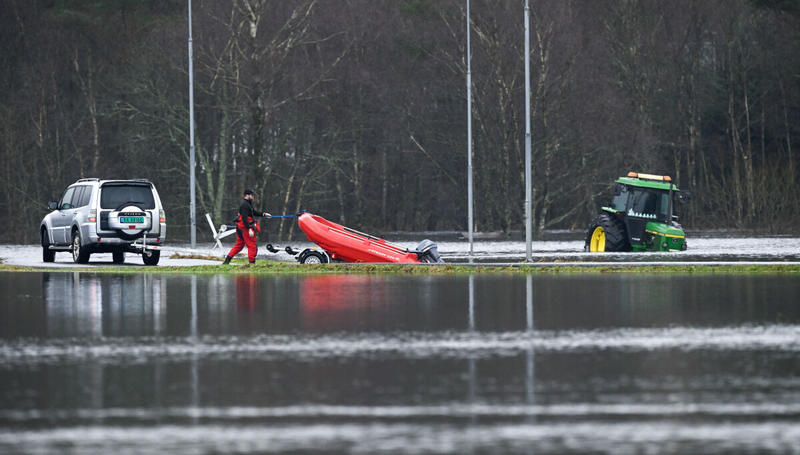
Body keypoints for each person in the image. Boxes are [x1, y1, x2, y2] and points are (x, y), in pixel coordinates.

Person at [222, 189, 271, 266]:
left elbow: (253, 212)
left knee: (239, 245)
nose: (253, 196)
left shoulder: (248, 203)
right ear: (247, 195)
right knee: (252, 246)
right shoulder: (245, 205)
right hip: (245, 228)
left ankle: (227, 261)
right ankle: (252, 264)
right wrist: (249, 230)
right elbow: (244, 218)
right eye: (252, 195)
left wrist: (264, 214)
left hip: (240, 228)